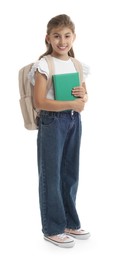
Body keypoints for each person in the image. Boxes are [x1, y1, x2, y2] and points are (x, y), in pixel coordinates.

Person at [28, 14, 90, 248]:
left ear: (73, 37)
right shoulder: (45, 64)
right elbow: (40, 102)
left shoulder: (76, 65)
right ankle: (52, 227)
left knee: (70, 173)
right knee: (51, 175)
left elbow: (83, 95)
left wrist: (82, 98)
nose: (62, 41)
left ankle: (69, 222)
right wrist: (72, 104)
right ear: (48, 38)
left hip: (74, 121)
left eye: (66, 36)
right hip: (52, 122)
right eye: (57, 36)